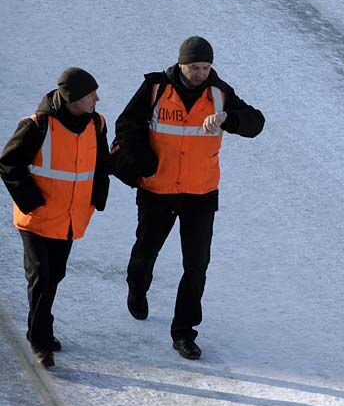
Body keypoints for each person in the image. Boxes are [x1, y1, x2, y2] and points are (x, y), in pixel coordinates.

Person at [112, 36, 264, 360]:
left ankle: (184, 333)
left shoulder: (220, 94)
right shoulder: (156, 89)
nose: (200, 73)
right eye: (194, 67)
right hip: (158, 191)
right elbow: (125, 126)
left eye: (205, 67)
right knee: (145, 253)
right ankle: (137, 287)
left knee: (196, 266)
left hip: (200, 195)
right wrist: (145, 162)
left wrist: (228, 119)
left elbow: (256, 123)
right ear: (181, 64)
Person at [0, 68, 109, 368]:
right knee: (41, 277)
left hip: (70, 219)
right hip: (36, 220)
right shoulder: (37, 126)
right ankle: (41, 342)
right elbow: (9, 164)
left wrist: (97, 199)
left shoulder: (97, 124)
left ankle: (41, 327)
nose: (97, 99)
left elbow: (102, 165)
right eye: (91, 95)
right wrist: (32, 202)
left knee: (55, 276)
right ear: (73, 98)